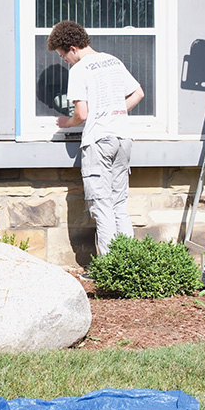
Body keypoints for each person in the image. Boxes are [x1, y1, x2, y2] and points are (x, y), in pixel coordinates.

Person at [47, 20, 144, 256]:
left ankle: (109, 267)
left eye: (62, 56)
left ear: (72, 47)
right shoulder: (113, 61)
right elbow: (138, 93)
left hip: (99, 141)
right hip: (122, 138)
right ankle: (128, 263)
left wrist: (65, 122)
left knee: (101, 206)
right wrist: (115, 110)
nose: (65, 61)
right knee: (119, 203)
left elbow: (81, 114)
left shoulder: (80, 69)